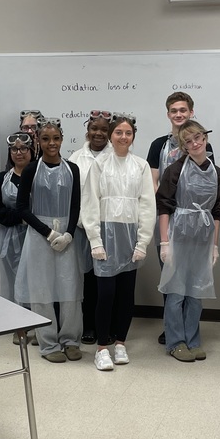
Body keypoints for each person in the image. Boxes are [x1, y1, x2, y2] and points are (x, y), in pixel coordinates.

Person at [81, 113, 156, 371]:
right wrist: (95, 240)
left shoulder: (141, 166)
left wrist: (142, 241)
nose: (123, 137)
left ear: (133, 136)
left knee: (126, 294)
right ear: (111, 136)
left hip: (130, 235)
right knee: (106, 294)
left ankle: (121, 342)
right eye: (118, 133)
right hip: (105, 233)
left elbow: (147, 205)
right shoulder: (100, 164)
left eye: (128, 133)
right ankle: (102, 348)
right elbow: (90, 202)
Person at [156, 120, 220, 361]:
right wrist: (165, 242)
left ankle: (193, 340)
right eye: (189, 140)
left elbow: (218, 211)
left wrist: (215, 246)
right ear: (183, 146)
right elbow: (163, 207)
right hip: (179, 235)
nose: (195, 143)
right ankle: (175, 342)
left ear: (205, 138)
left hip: (203, 238)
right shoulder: (174, 170)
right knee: (176, 293)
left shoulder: (216, 173)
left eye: (198, 137)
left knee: (196, 292)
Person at [147, 92, 214, 345]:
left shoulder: (202, 145)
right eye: (174, 110)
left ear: (191, 112)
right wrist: (168, 206)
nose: (179, 114)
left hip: (196, 222)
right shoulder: (157, 146)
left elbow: (208, 185)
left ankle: (189, 332)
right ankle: (172, 329)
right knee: (171, 279)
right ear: (168, 114)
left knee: (193, 281)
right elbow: (153, 181)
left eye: (183, 110)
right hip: (168, 219)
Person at [14, 118, 83, 362]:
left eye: (55, 138)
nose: (51, 143)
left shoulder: (72, 169)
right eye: (45, 139)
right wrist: (48, 233)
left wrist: (69, 234)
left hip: (66, 237)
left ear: (62, 139)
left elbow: (76, 206)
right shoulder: (31, 169)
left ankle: (71, 340)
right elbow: (22, 208)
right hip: (40, 236)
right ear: (38, 141)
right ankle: (48, 343)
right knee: (41, 290)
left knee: (69, 289)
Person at [69, 111, 113, 344]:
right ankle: (88, 326)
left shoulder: (117, 155)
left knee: (106, 279)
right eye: (94, 128)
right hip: (81, 228)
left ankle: (107, 325)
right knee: (86, 278)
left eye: (104, 129)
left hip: (109, 228)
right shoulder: (76, 158)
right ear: (87, 131)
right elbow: (73, 195)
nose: (98, 133)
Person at [0, 131, 35, 303]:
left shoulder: (39, 177)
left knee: (34, 278)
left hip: (35, 236)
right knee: (11, 279)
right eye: (14, 149)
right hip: (9, 238)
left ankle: (35, 319)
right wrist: (22, 217)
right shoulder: (2, 179)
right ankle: (15, 320)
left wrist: (30, 219)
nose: (19, 152)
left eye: (23, 148)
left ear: (31, 150)